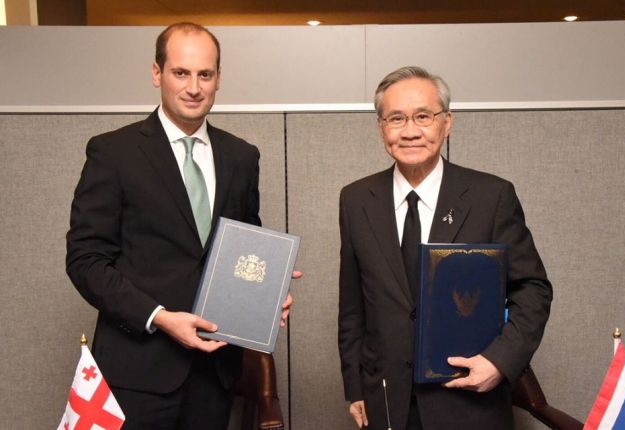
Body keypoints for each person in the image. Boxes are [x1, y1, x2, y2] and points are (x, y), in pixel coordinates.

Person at [66, 22, 296, 430]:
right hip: (136, 374)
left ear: (218, 78)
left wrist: (265, 293)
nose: (193, 87)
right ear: (157, 73)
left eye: (205, 74)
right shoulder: (114, 152)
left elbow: (242, 249)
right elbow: (86, 261)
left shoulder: (242, 157)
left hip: (213, 373)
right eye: (180, 73)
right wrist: (159, 316)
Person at [338, 66, 552, 429]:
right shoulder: (356, 199)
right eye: (396, 118)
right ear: (381, 127)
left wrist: (499, 361)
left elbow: (533, 290)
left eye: (423, 116)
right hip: (386, 400)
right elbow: (353, 305)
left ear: (447, 122)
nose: (410, 131)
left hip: (468, 399)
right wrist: (355, 387)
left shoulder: (491, 197)